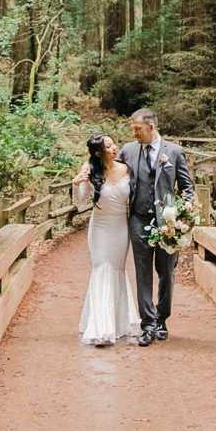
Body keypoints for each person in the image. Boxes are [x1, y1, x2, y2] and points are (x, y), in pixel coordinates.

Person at [117, 108, 193, 346]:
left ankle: (162, 319)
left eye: (137, 129)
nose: (134, 133)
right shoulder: (128, 150)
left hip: (167, 224)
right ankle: (148, 325)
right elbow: (110, 171)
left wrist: (185, 213)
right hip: (139, 220)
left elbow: (187, 187)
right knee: (142, 273)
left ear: (150, 127)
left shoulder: (175, 152)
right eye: (133, 129)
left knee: (166, 273)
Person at [71, 133, 139, 346]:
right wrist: (76, 183)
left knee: (117, 271)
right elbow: (80, 202)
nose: (114, 148)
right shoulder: (91, 170)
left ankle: (118, 323)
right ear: (99, 153)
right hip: (99, 228)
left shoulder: (126, 169)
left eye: (113, 144)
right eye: (108, 146)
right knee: (101, 269)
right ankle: (101, 328)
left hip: (120, 227)